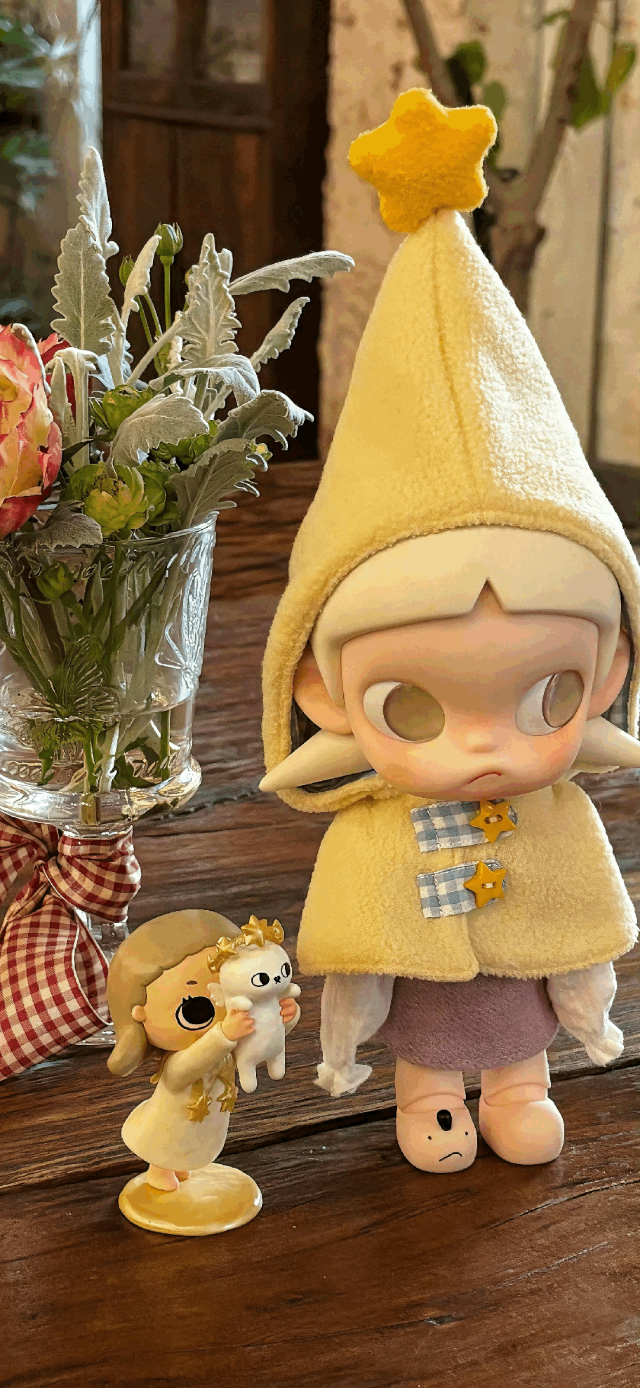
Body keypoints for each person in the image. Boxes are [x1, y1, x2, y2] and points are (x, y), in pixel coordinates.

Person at [258, 90, 640, 1173]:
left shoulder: (558, 819)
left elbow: (580, 932)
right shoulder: (375, 836)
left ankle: (520, 1083)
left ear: (608, 673)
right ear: (322, 691)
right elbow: (358, 954)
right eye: (412, 707)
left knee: (521, 1052)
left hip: (520, 1014)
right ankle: (427, 1095)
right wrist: (345, 1046)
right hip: (426, 1013)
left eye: (548, 697)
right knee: (428, 1050)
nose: (485, 747)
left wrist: (588, 1017)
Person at [107, 908, 299, 1190]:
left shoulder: (232, 1032)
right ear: (139, 1014)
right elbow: (185, 1069)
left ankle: (181, 1166)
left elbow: (262, 1041)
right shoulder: (182, 1061)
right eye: (196, 1009)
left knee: (195, 1142)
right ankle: (159, 1170)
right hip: (174, 1116)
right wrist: (223, 1035)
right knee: (168, 1141)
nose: (223, 1009)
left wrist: (284, 1017)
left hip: (212, 1111)